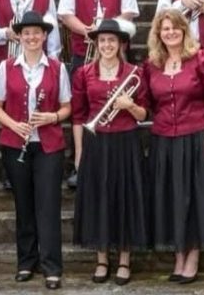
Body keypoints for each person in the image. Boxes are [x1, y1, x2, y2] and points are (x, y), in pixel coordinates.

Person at [142, 9, 204, 283]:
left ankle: (193, 256)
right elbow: (148, 104)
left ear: (184, 30)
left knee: (196, 199)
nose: (170, 33)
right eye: (165, 29)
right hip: (164, 140)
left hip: (197, 136)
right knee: (172, 199)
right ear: (158, 34)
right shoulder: (152, 64)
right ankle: (178, 255)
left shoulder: (201, 58)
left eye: (175, 28)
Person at [0, 11, 72, 291]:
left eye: (37, 32)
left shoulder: (57, 68)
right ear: (19, 37)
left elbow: (67, 107)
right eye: (27, 33)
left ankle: (52, 266)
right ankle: (26, 262)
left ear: (45, 35)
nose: (32, 37)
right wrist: (15, 125)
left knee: (48, 206)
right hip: (15, 144)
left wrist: (52, 118)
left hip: (49, 145)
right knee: (23, 205)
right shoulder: (6, 66)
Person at [59, 0, 139, 189]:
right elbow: (65, 14)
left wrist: (107, 30)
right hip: (84, 53)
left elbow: (129, 12)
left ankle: (117, 160)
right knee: (80, 110)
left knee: (117, 105)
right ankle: (79, 163)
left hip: (114, 52)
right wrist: (89, 31)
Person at [71, 18, 147, 286]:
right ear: (96, 43)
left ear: (121, 43)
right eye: (102, 40)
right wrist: (79, 152)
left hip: (126, 141)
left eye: (111, 40)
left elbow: (144, 112)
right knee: (98, 198)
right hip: (96, 142)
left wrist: (129, 105)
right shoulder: (84, 73)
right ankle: (102, 258)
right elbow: (79, 115)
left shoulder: (133, 72)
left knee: (125, 196)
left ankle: (124, 259)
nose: (106, 45)